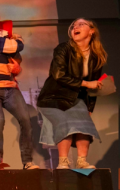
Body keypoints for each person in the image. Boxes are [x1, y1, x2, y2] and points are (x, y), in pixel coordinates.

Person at [0, 6, 39, 169]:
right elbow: (16, 46)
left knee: (26, 120)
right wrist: (17, 40)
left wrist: (17, 67)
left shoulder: (2, 37)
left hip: (10, 87)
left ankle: (27, 161)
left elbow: (16, 59)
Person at [37, 18, 106, 169]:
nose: (76, 27)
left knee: (84, 125)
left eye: (81, 24)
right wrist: (87, 83)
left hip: (76, 98)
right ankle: (63, 162)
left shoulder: (96, 56)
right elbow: (59, 75)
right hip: (53, 97)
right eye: (74, 25)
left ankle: (82, 161)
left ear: (92, 31)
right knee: (66, 123)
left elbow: (94, 86)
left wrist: (89, 108)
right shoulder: (63, 49)